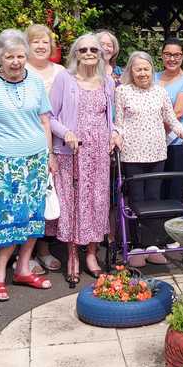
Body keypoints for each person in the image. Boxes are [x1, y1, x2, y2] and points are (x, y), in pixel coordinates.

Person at [0, 29, 55, 300]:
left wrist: (50, 154)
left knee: (33, 217)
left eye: (20, 56)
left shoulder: (36, 82)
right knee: (8, 218)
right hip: (6, 162)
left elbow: (44, 121)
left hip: (36, 159)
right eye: (10, 57)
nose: (16, 62)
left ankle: (22, 269)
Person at [113, 51, 183, 265]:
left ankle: (153, 244)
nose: (142, 73)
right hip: (132, 154)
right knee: (137, 199)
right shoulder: (122, 91)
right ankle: (137, 245)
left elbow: (170, 117)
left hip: (157, 152)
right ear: (131, 71)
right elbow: (118, 123)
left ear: (152, 70)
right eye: (138, 69)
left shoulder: (160, 92)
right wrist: (115, 137)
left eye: (146, 69)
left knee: (154, 199)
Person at [48, 34, 116, 288]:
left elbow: (112, 117)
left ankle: (91, 254)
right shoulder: (64, 79)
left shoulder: (107, 82)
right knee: (74, 203)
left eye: (94, 49)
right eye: (83, 49)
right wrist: (65, 133)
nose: (89, 53)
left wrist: (115, 133)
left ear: (101, 54)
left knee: (97, 201)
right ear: (75, 53)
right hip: (72, 151)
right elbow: (49, 115)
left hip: (99, 152)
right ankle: (72, 257)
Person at [23, 23, 65, 275]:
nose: (40, 46)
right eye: (34, 41)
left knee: (49, 198)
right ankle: (24, 254)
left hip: (56, 142)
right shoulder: (18, 69)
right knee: (28, 199)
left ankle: (43, 250)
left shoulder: (60, 72)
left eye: (45, 42)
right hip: (25, 142)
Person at [156, 38, 183, 202]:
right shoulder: (152, 77)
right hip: (151, 142)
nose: (172, 59)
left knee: (173, 187)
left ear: (182, 56)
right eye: (168, 54)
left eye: (176, 55)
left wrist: (155, 133)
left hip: (175, 140)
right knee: (155, 185)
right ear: (162, 55)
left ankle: (172, 223)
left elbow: (177, 113)